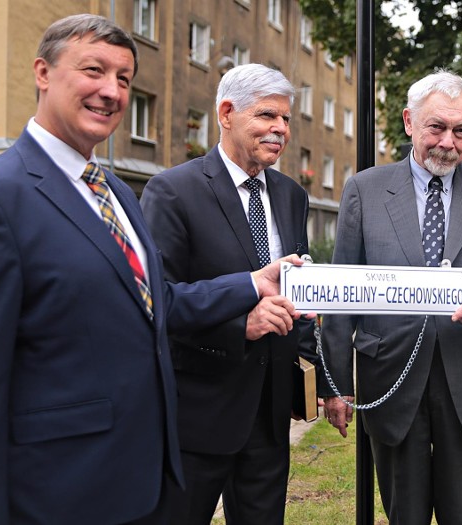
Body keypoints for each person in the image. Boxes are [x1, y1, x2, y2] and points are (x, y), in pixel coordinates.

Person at [0, 15, 304, 525]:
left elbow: (157, 306)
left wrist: (251, 283)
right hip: (54, 488)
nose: (111, 91)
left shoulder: (116, 193)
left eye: (124, 80)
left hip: (136, 477)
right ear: (43, 73)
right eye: (94, 71)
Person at [320, 70, 462, 524]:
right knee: (404, 513)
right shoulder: (364, 189)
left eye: (461, 131)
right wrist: (336, 386)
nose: (447, 142)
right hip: (389, 373)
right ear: (410, 122)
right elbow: (342, 289)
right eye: (436, 127)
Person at [140, 63, 315, 524]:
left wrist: (321, 380)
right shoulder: (172, 192)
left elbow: (299, 289)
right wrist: (243, 323)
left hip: (271, 415)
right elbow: (160, 302)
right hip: (197, 414)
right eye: (266, 116)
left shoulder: (292, 195)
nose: (280, 129)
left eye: (285, 119)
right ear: (226, 113)